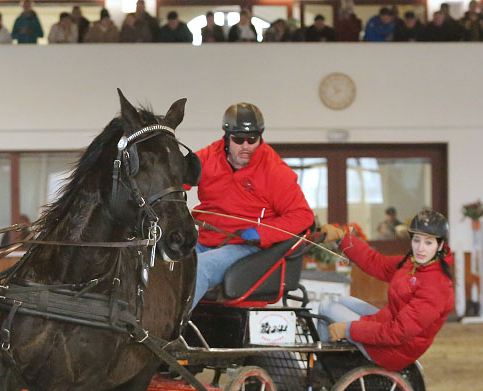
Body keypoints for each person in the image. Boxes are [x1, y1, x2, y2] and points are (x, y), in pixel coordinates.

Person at [190, 103, 315, 307]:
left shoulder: (275, 171)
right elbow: (176, 178)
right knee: (168, 264)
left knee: (198, 268)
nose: (246, 146)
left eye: (252, 139)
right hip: (205, 241)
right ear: (227, 137)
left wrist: (262, 233)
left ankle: (169, 333)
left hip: (244, 247)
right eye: (239, 139)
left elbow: (302, 216)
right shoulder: (207, 157)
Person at [317, 210, 454, 371]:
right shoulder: (411, 263)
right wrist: (342, 237)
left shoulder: (436, 285)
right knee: (340, 300)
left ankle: (326, 368)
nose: (420, 249)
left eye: (428, 243)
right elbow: (376, 262)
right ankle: (332, 359)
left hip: (393, 350)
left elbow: (399, 332)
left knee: (327, 307)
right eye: (417, 240)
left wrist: (348, 330)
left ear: (441, 245)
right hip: (389, 327)